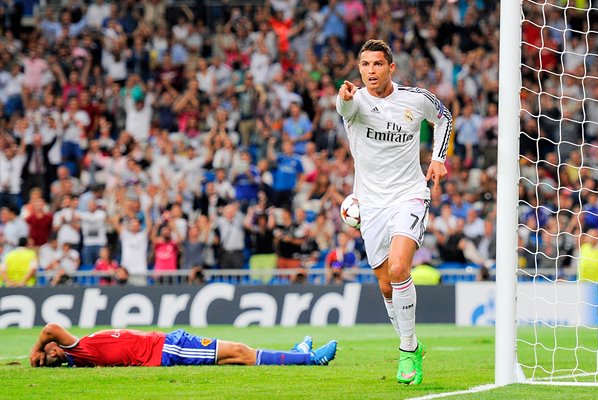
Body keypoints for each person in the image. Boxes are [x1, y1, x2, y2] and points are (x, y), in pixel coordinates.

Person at [336, 39, 452, 385]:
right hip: (370, 204)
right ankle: (413, 345)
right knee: (387, 287)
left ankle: (405, 352)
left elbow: (444, 117)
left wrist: (438, 159)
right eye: (365, 65)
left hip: (409, 195)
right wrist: (343, 99)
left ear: (391, 68)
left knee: (401, 267)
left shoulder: (415, 100)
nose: (370, 70)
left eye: (377, 64)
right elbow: (345, 109)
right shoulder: (353, 101)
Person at [30, 323, 337, 368]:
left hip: (163, 342)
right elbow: (50, 328)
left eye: (49, 349)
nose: (52, 349)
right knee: (241, 351)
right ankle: (307, 359)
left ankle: (296, 354)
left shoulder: (81, 348)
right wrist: (35, 351)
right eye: (49, 353)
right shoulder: (76, 351)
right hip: (166, 349)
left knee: (232, 358)